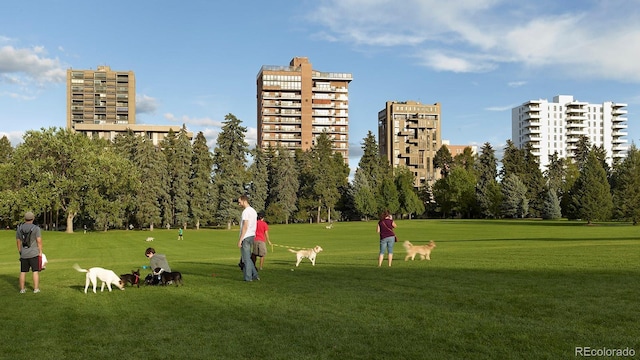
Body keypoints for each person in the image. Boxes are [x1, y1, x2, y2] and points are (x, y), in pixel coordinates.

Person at [16, 211, 43, 293]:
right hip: (34, 253)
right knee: (35, 271)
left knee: (23, 272)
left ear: (25, 219)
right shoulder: (36, 228)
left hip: (24, 253)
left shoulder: (19, 228)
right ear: (33, 218)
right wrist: (40, 251)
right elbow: (39, 241)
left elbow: (18, 241)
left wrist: (20, 251)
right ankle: (36, 289)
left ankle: (22, 289)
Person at [237, 195, 259, 282]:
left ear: (244, 201)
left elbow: (245, 226)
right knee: (248, 258)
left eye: (239, 202)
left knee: (245, 259)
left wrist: (240, 240)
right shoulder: (253, 211)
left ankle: (248, 277)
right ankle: (255, 275)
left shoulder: (246, 212)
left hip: (246, 236)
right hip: (252, 235)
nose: (239, 204)